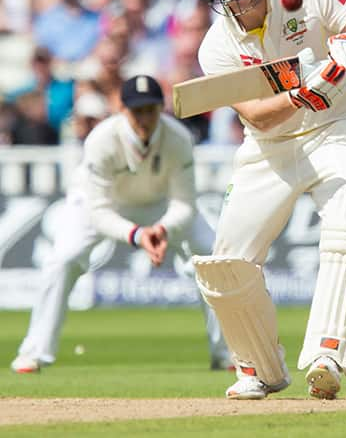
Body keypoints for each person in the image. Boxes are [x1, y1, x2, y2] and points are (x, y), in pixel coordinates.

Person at [191, 0, 346, 400]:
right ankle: (259, 368)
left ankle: (328, 355)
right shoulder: (215, 47)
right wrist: (306, 93)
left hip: (333, 132)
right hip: (268, 151)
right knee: (224, 265)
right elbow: (258, 118)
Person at [11, 74, 230, 373]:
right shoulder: (101, 140)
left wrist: (162, 228)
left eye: (151, 110)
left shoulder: (178, 138)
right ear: (122, 109)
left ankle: (228, 353)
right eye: (137, 110)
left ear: (160, 109)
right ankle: (34, 352)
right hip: (99, 205)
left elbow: (184, 204)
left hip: (160, 206)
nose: (144, 118)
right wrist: (138, 235)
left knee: (211, 254)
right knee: (61, 261)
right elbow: (98, 211)